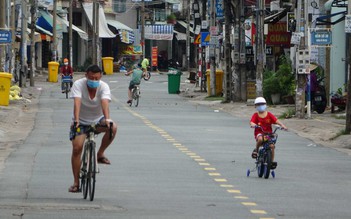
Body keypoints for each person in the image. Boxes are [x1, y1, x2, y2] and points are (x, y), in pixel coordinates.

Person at [68, 64, 117, 193]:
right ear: (86, 76)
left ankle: (100, 153)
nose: (94, 81)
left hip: (98, 120)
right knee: (77, 148)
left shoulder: (104, 86)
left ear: (100, 77)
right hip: (81, 122)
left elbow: (105, 103)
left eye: (96, 78)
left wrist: (107, 119)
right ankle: (76, 182)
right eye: (91, 78)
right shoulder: (79, 84)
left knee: (113, 127)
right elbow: (77, 102)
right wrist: (76, 120)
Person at [249, 97, 287, 169]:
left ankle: (271, 162)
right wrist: (253, 125)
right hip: (260, 133)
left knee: (272, 146)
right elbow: (252, 122)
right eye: (258, 105)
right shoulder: (255, 115)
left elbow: (276, 121)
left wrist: (282, 125)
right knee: (260, 139)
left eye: (262, 104)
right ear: (255, 106)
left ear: (265, 105)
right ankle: (256, 150)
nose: (260, 106)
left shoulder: (269, 114)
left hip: (269, 134)